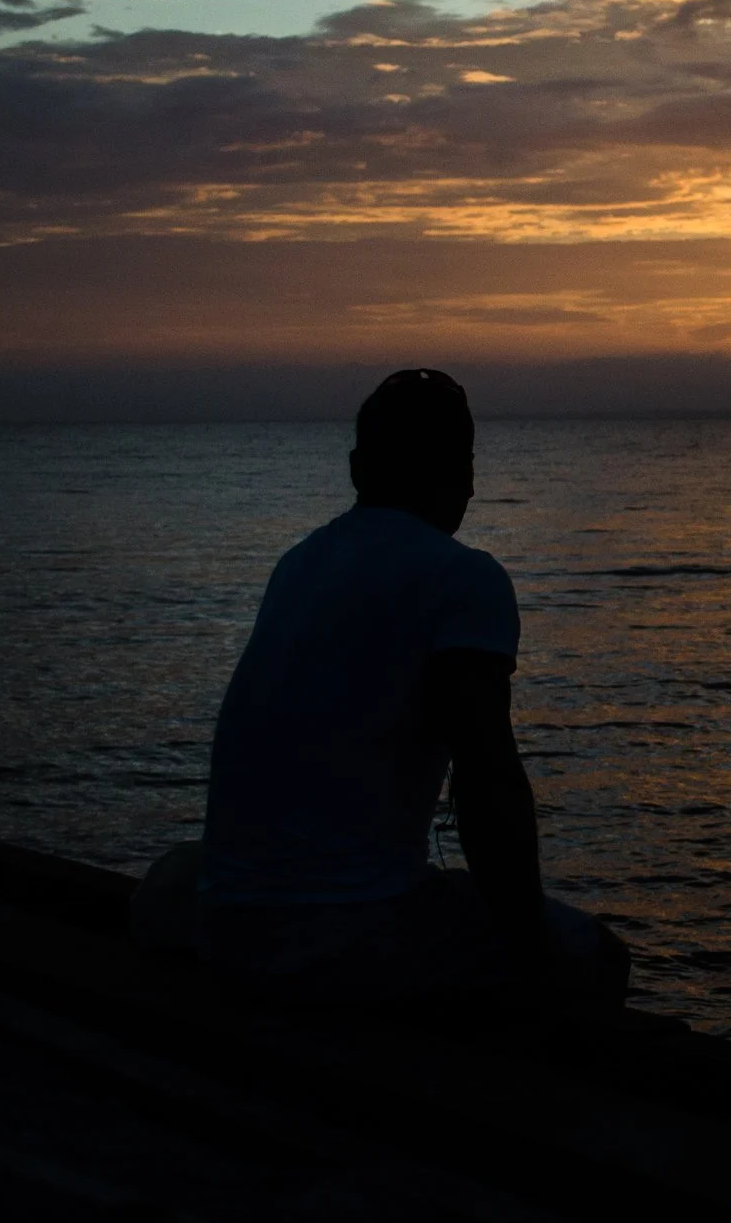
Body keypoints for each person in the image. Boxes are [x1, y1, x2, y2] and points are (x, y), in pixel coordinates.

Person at [174, 368, 628, 1007]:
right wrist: (533, 947)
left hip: (227, 924)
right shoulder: (463, 578)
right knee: (600, 960)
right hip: (338, 933)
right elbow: (486, 776)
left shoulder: (299, 564)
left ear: (358, 469)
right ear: (462, 474)